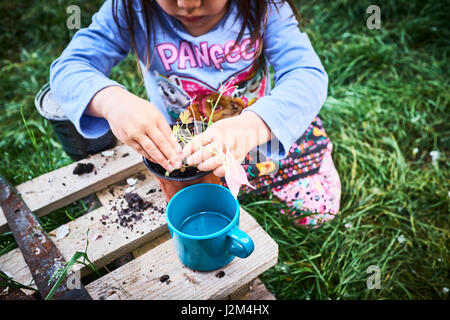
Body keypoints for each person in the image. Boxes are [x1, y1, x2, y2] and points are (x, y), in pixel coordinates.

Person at [50, 0, 341, 227]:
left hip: (255, 134)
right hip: (184, 150)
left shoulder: (265, 7)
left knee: (316, 208)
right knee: (193, 208)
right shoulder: (131, 8)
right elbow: (69, 69)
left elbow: (307, 75)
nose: (188, 4)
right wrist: (111, 101)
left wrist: (253, 125)